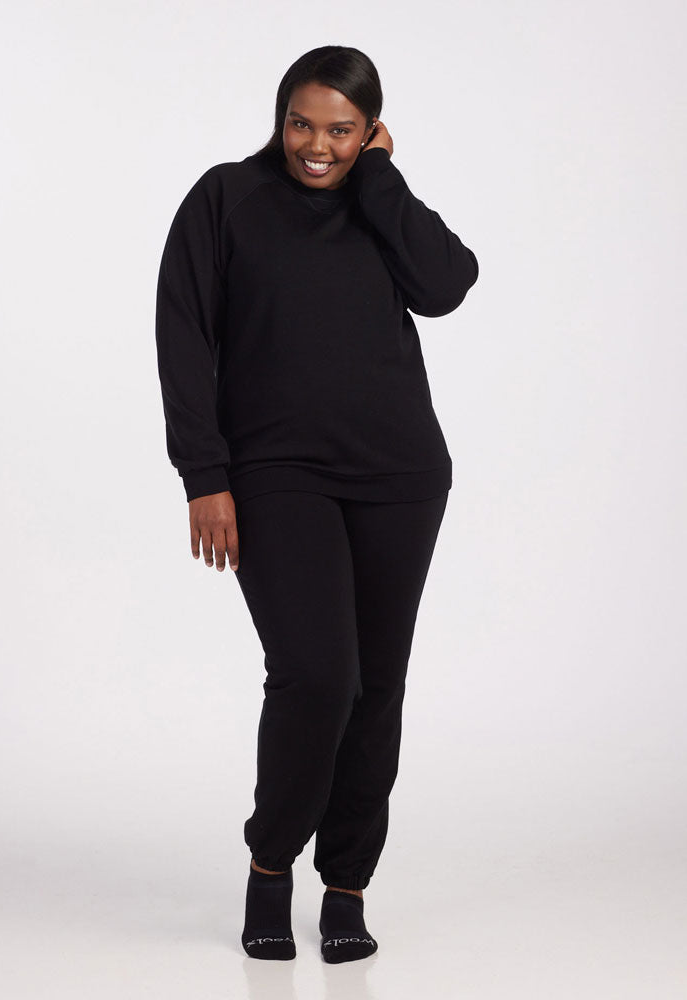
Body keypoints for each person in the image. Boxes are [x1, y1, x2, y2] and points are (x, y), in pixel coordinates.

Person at [154, 44, 479, 964]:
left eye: (342, 130)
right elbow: (181, 331)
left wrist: (382, 179)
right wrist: (204, 475)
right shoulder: (226, 199)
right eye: (303, 123)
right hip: (274, 471)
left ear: (370, 131)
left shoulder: (380, 204)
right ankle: (270, 865)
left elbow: (447, 286)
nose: (317, 146)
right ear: (279, 116)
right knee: (318, 675)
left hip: (398, 474)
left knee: (376, 687)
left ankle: (347, 884)